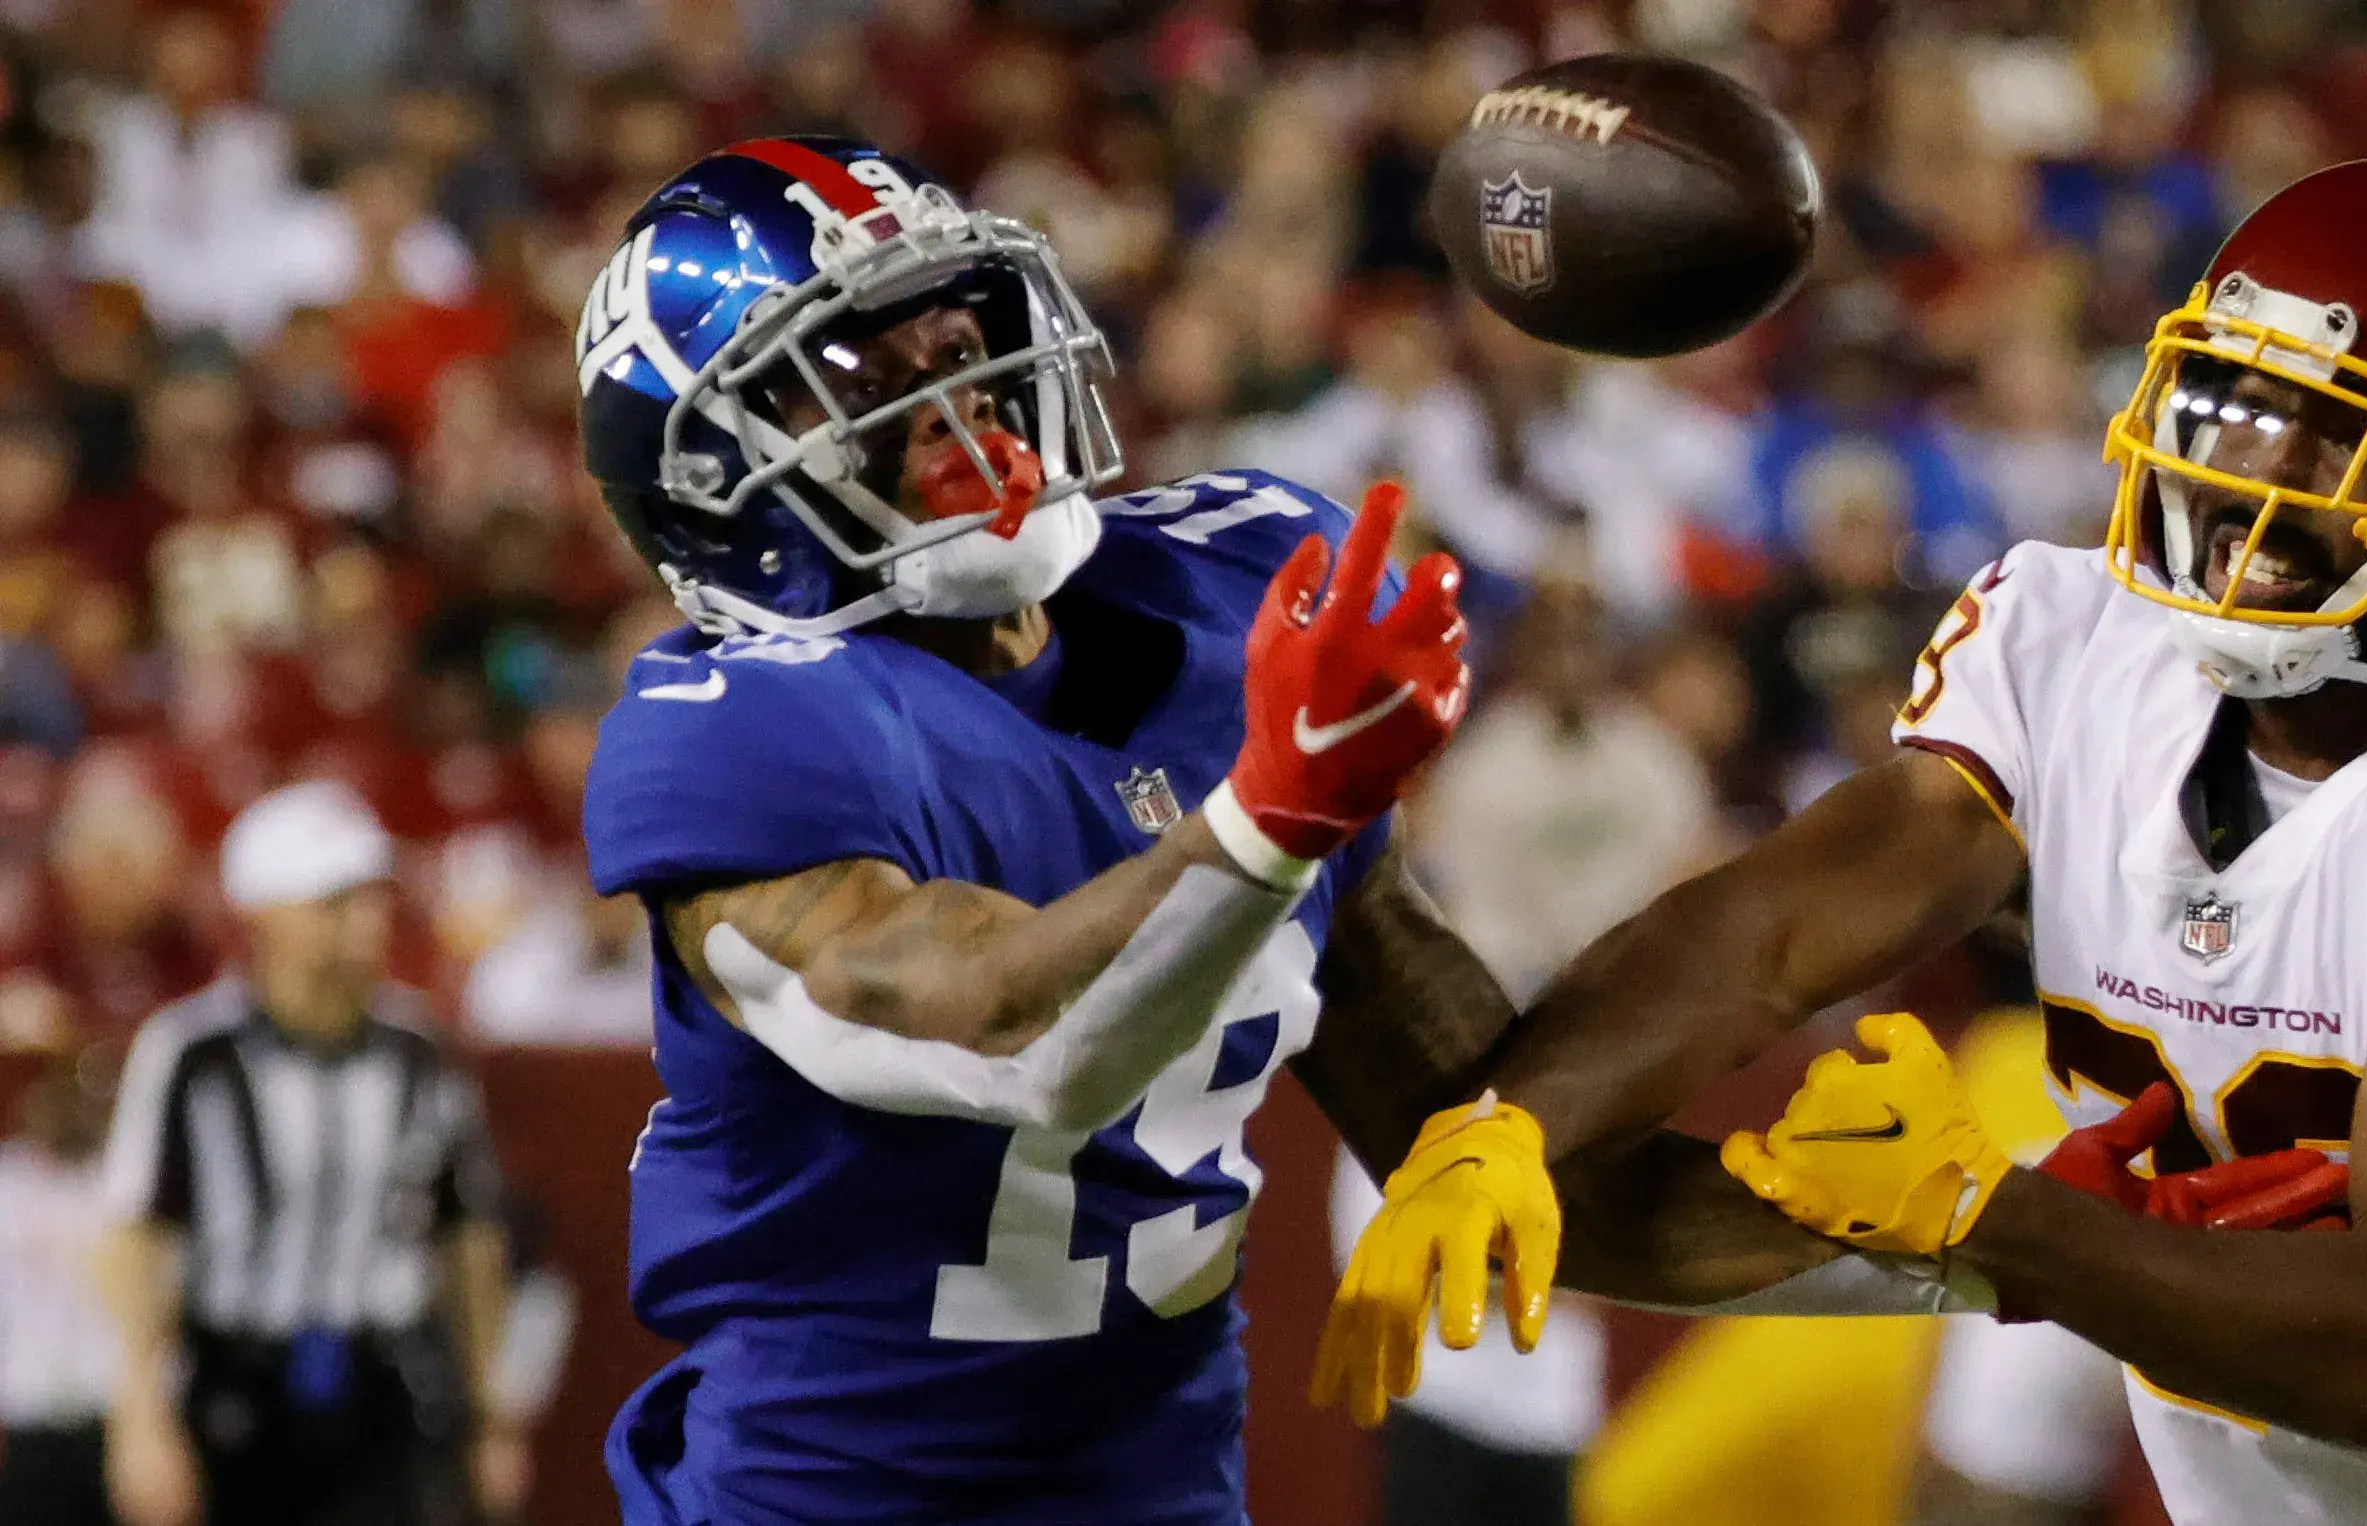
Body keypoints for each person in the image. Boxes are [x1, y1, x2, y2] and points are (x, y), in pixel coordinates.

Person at [1321, 158, 2367, 1525]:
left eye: (2346, 443)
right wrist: (1512, 1123)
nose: (2253, 477)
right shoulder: (2076, 640)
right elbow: (1778, 924)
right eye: (2243, 405)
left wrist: (1993, 1221)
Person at [572, 134, 1504, 1525]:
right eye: (868, 381)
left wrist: (1925, 1248)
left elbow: (1475, 1110)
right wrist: (1269, 815)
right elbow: (1015, 1036)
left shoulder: (1233, 584)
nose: (961, 404)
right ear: (713, 475)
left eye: (962, 340)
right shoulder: (736, 725)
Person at [96, 780, 518, 1526]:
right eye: (334, 902)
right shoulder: (196, 1054)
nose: (365, 922)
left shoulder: (418, 1053)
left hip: (382, 1384)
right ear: (266, 916)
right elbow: (137, 1235)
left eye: (371, 898)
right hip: (239, 1384)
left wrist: (492, 1410)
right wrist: (141, 1412)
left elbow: (467, 1233)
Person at [0, 1052, 121, 1526]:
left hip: (112, 1418)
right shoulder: (6, 1181)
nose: (60, 1106)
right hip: (24, 1418)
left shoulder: (124, 1179)